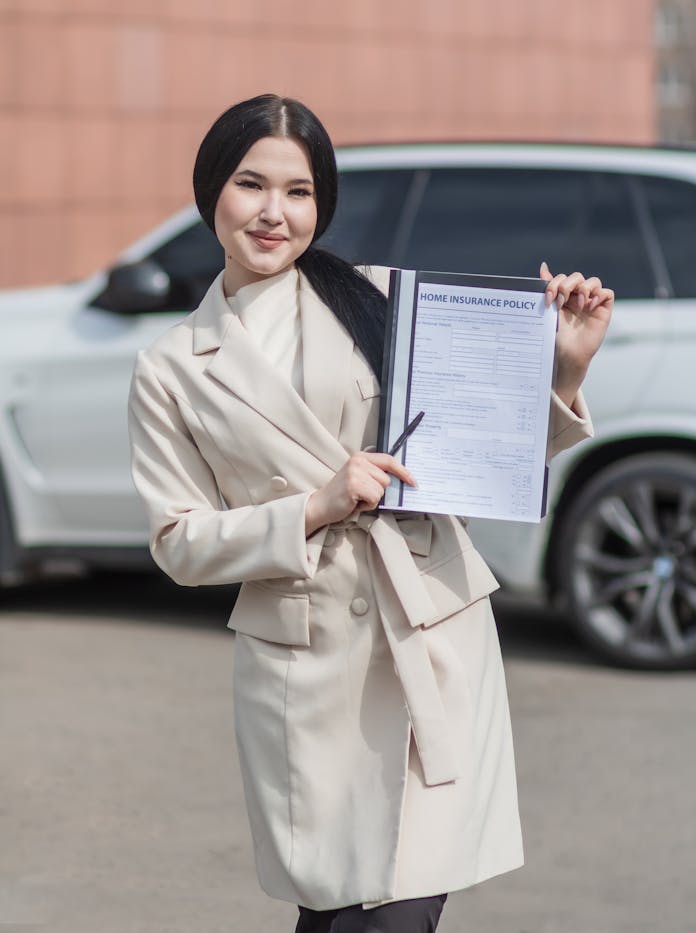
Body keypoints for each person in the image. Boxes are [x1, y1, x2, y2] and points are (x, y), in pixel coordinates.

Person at [127, 93, 613, 933]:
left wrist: (562, 370)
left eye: (300, 191)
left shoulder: (386, 298)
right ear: (213, 190)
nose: (274, 213)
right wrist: (312, 507)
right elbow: (178, 541)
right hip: (308, 678)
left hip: (430, 640)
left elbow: (477, 459)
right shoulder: (172, 365)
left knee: (393, 919)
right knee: (336, 913)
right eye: (251, 184)